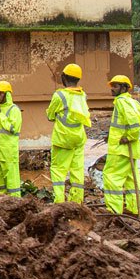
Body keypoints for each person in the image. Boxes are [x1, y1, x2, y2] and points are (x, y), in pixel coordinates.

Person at [104, 74, 140, 215]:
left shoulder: (121, 102)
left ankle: (114, 212)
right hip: (131, 150)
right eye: (112, 86)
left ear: (124, 88)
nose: (112, 89)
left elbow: (133, 123)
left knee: (111, 178)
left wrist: (129, 137)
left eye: (116, 86)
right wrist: (130, 135)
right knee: (131, 181)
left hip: (119, 150)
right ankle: (135, 210)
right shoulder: (133, 102)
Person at [46, 62, 92, 204]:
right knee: (77, 170)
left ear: (64, 77)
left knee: (58, 170)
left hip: (63, 138)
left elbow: (50, 115)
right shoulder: (82, 95)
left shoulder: (59, 95)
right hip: (78, 138)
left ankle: (59, 201)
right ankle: (77, 201)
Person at [0, 81, 22, 196]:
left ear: (7, 94)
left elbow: (12, 128)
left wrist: (0, 114)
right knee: (0, 183)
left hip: (8, 153)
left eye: (0, 93)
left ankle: (16, 202)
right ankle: (2, 201)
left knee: (12, 182)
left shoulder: (14, 110)